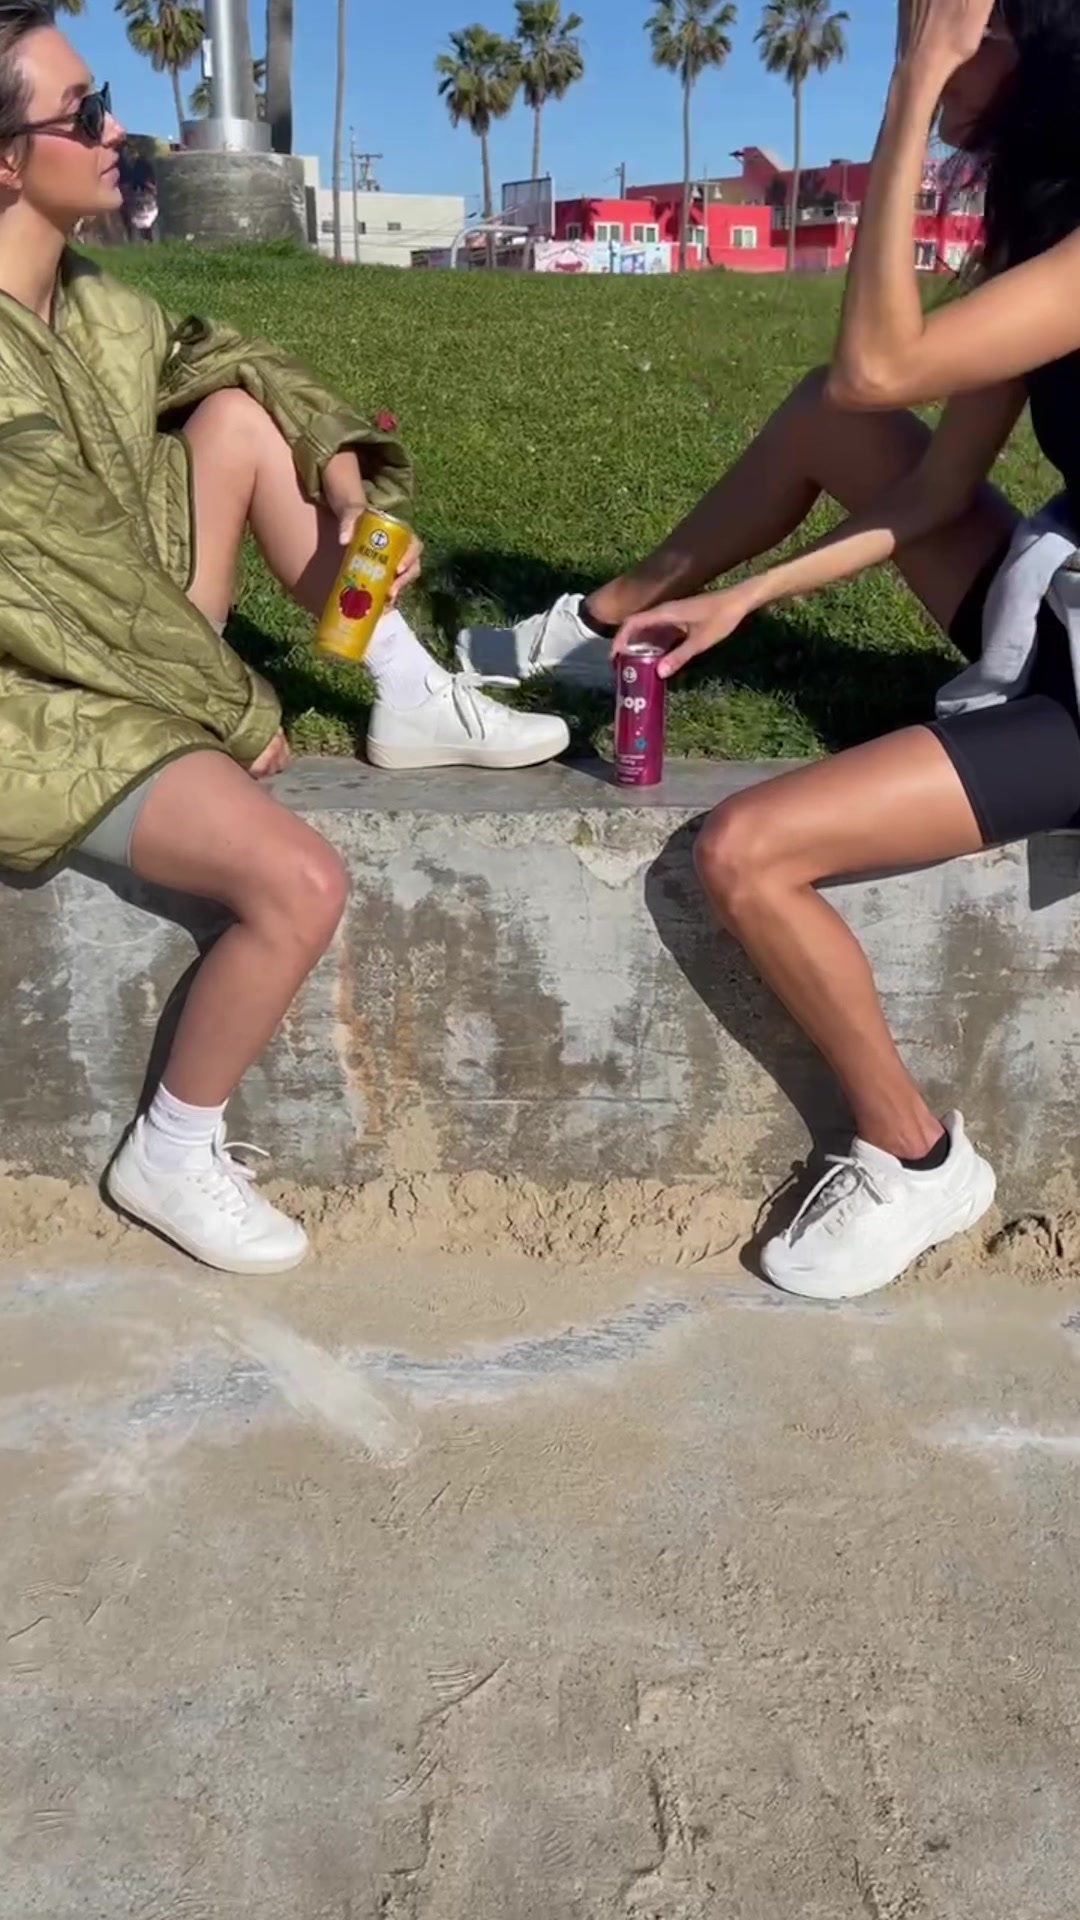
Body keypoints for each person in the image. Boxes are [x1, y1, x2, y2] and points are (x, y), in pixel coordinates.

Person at [465, 0, 1080, 1302]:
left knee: (749, 853)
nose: (921, 52)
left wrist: (908, 95)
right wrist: (749, 599)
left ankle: (919, 1159)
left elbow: (882, 362)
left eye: (944, 30)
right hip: (1056, 601)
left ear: (1028, 49)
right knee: (822, 418)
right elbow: (927, 484)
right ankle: (601, 624)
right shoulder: (1046, 233)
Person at [0, 2, 569, 1277]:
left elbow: (229, 357)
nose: (118, 130)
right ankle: (170, 1149)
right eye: (86, 114)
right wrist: (240, 713)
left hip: (127, 634)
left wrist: (348, 490)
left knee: (245, 415)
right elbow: (73, 592)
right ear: (4, 162)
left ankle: (404, 684)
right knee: (298, 883)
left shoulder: (87, 304)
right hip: (38, 698)